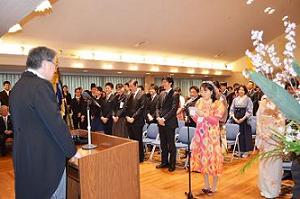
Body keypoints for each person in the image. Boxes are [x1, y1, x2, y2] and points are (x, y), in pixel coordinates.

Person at [9, 46, 76, 199]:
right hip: (46, 161)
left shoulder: (18, 87)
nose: (55, 71)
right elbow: (55, 124)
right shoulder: (41, 86)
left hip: (24, 157)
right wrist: (72, 152)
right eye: (55, 65)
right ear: (46, 64)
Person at [190, 82, 225, 196]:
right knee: (202, 159)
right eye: (201, 90)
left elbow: (215, 120)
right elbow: (197, 119)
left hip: (212, 135)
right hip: (200, 134)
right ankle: (206, 184)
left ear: (211, 91)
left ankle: (214, 186)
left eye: (205, 91)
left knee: (212, 158)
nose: (203, 93)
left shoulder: (218, 103)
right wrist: (193, 115)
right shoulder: (199, 102)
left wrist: (204, 115)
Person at [256, 96, 285, 199]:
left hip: (274, 139)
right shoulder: (263, 101)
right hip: (264, 138)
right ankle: (264, 188)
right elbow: (258, 119)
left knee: (273, 165)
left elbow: (281, 122)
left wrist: (271, 134)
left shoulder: (280, 102)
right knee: (264, 164)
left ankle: (273, 190)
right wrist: (261, 132)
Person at [155, 76, 179, 172]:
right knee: (163, 143)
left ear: (170, 83)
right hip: (160, 122)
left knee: (171, 144)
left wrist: (163, 119)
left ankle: (172, 164)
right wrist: (158, 117)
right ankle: (164, 162)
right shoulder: (161, 94)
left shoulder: (175, 94)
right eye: (162, 82)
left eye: (165, 82)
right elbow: (157, 107)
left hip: (169, 122)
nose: (163, 84)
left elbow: (174, 109)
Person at [125, 80, 147, 162]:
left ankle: (140, 158)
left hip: (137, 121)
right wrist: (127, 116)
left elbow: (141, 108)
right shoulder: (130, 94)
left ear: (136, 85)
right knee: (132, 140)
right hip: (129, 121)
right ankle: (133, 156)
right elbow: (126, 107)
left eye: (132, 86)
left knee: (138, 140)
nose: (130, 88)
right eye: (129, 86)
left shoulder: (142, 94)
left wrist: (133, 118)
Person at [229, 85, 253, 158]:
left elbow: (249, 110)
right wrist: (234, 118)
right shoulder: (235, 99)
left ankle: (246, 151)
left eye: (242, 90)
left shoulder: (248, 99)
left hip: (245, 119)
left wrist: (243, 118)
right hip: (236, 118)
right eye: (239, 90)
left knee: (244, 135)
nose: (241, 91)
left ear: (245, 91)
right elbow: (231, 110)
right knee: (238, 135)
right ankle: (238, 151)